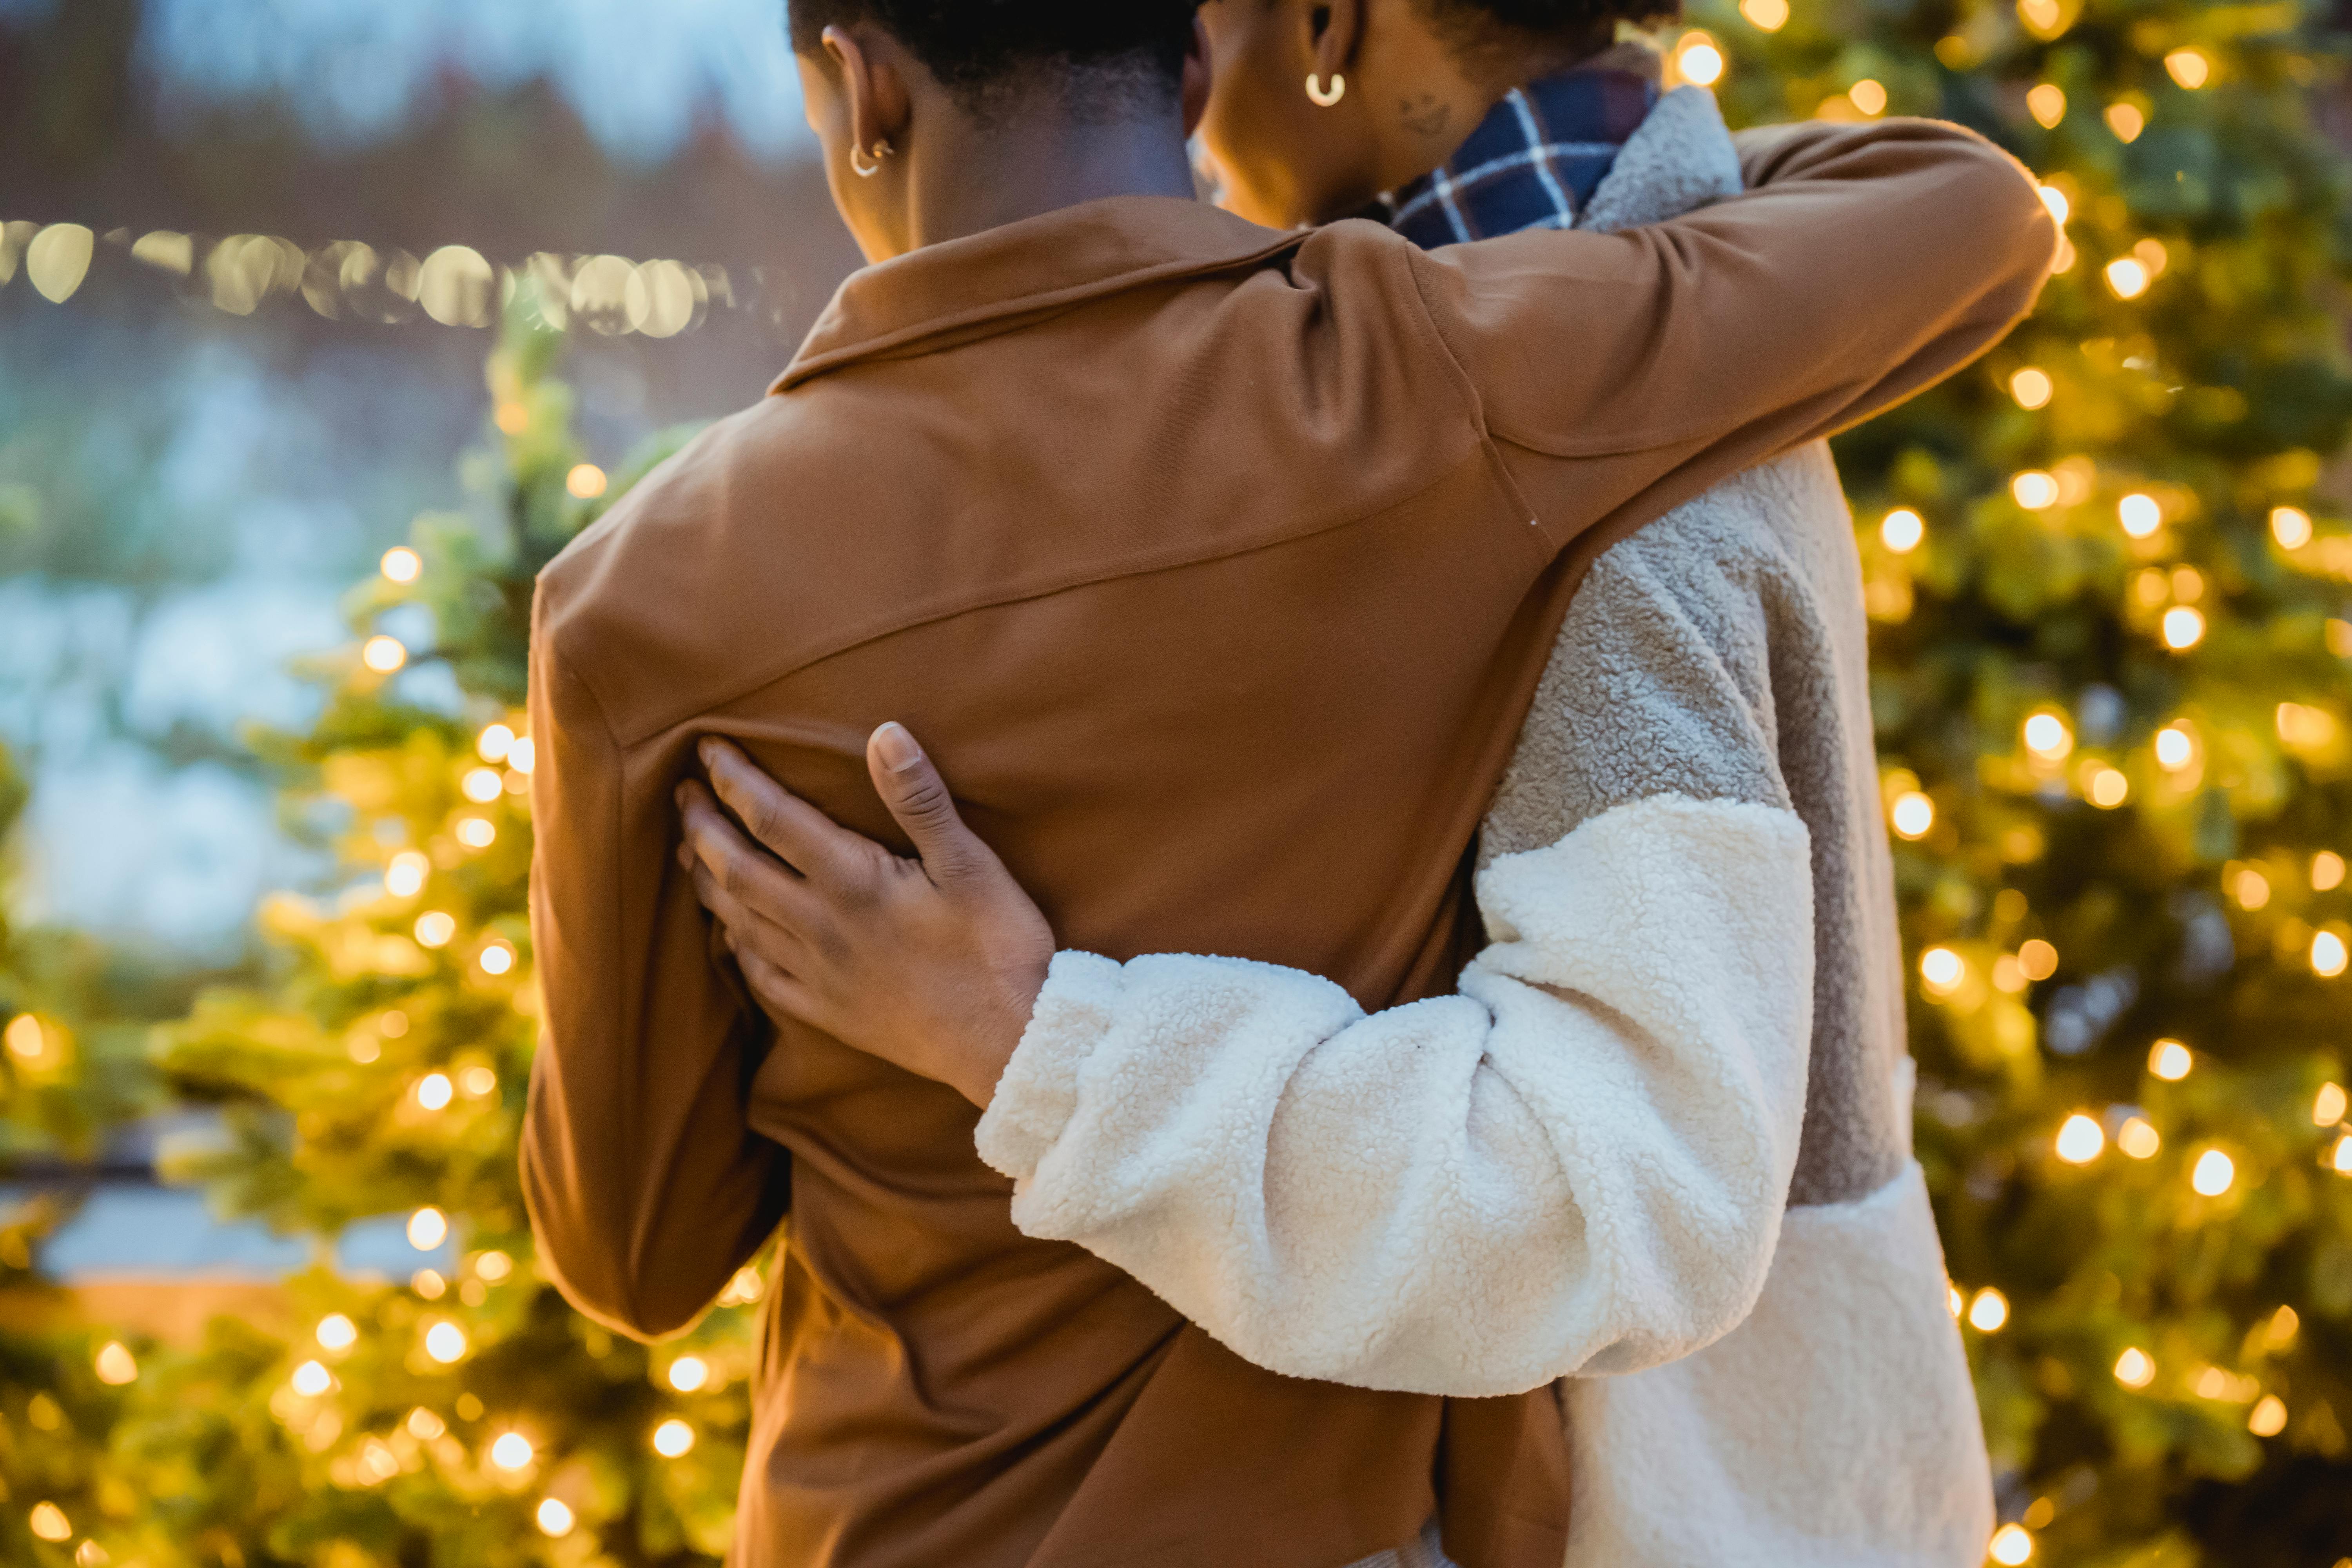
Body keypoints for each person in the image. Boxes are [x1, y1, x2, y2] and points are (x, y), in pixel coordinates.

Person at [520, 2, 2055, 1565]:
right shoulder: (1440, 379)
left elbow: (635, 1254)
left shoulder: (634, 605)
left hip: (887, 1519)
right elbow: (1971, 216)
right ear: (1184, 60)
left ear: (857, 84)